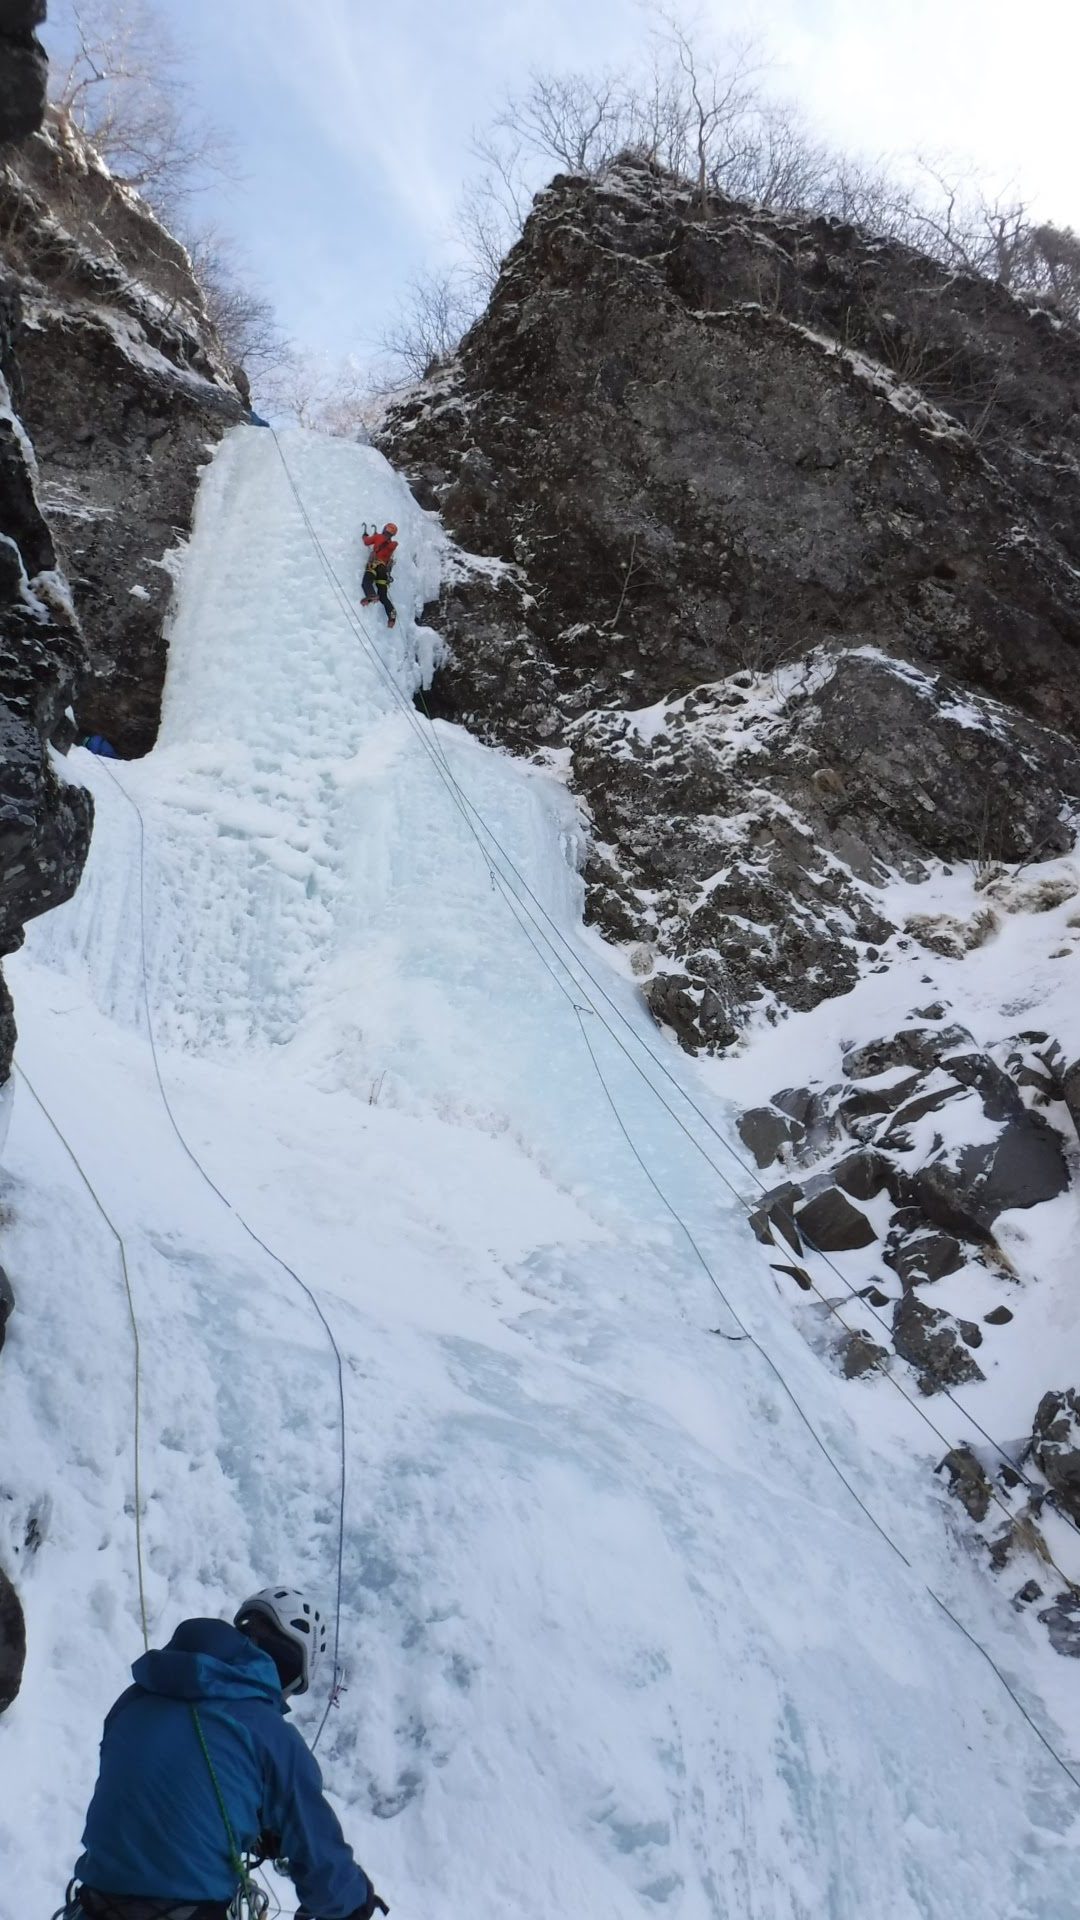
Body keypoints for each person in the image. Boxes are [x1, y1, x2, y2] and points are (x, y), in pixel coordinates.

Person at [60, 1586, 388, 1920]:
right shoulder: (270, 1733)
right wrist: (356, 1900)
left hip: (92, 1908)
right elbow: (326, 1877)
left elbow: (157, 1791)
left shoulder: (133, 1700)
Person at [360, 522, 398, 628]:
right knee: (383, 596)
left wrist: (365, 536)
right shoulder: (392, 546)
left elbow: (366, 542)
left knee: (366, 582)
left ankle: (371, 595)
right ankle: (391, 615)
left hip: (374, 565)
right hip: (383, 571)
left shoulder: (378, 537)